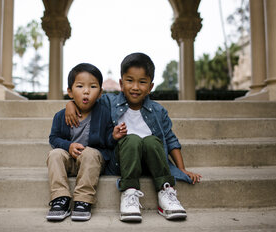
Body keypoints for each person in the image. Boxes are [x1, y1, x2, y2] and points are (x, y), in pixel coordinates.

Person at [65, 53, 201, 222]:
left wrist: (181, 169)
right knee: (132, 139)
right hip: (122, 161)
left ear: (150, 87)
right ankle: (129, 191)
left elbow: (171, 140)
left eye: (142, 82)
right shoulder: (109, 102)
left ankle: (166, 192)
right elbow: (88, 100)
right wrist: (70, 104)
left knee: (151, 140)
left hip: (152, 161)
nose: (135, 87)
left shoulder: (159, 111)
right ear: (121, 83)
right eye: (130, 81)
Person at [47, 63, 118, 222]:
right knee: (55, 154)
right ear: (70, 92)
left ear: (100, 93)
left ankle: (83, 200)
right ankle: (60, 198)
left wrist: (113, 136)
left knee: (90, 153)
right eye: (80, 86)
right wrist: (68, 146)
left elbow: (108, 142)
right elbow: (53, 138)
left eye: (92, 87)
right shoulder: (60, 116)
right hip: (70, 162)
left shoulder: (104, 114)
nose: (86, 91)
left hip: (92, 163)